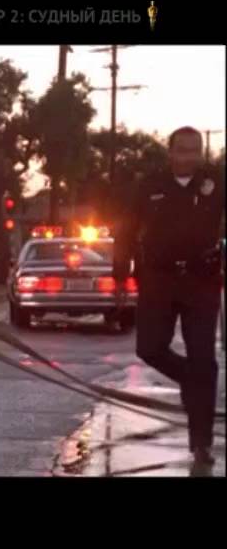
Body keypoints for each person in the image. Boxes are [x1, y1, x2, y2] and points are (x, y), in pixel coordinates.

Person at [113, 126, 224, 469]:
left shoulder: (216, 183)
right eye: (183, 150)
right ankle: (193, 382)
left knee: (203, 358)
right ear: (170, 152)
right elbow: (126, 229)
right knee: (149, 348)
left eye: (195, 150)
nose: (189, 156)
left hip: (201, 282)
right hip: (158, 279)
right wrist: (120, 273)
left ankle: (201, 444)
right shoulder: (150, 186)